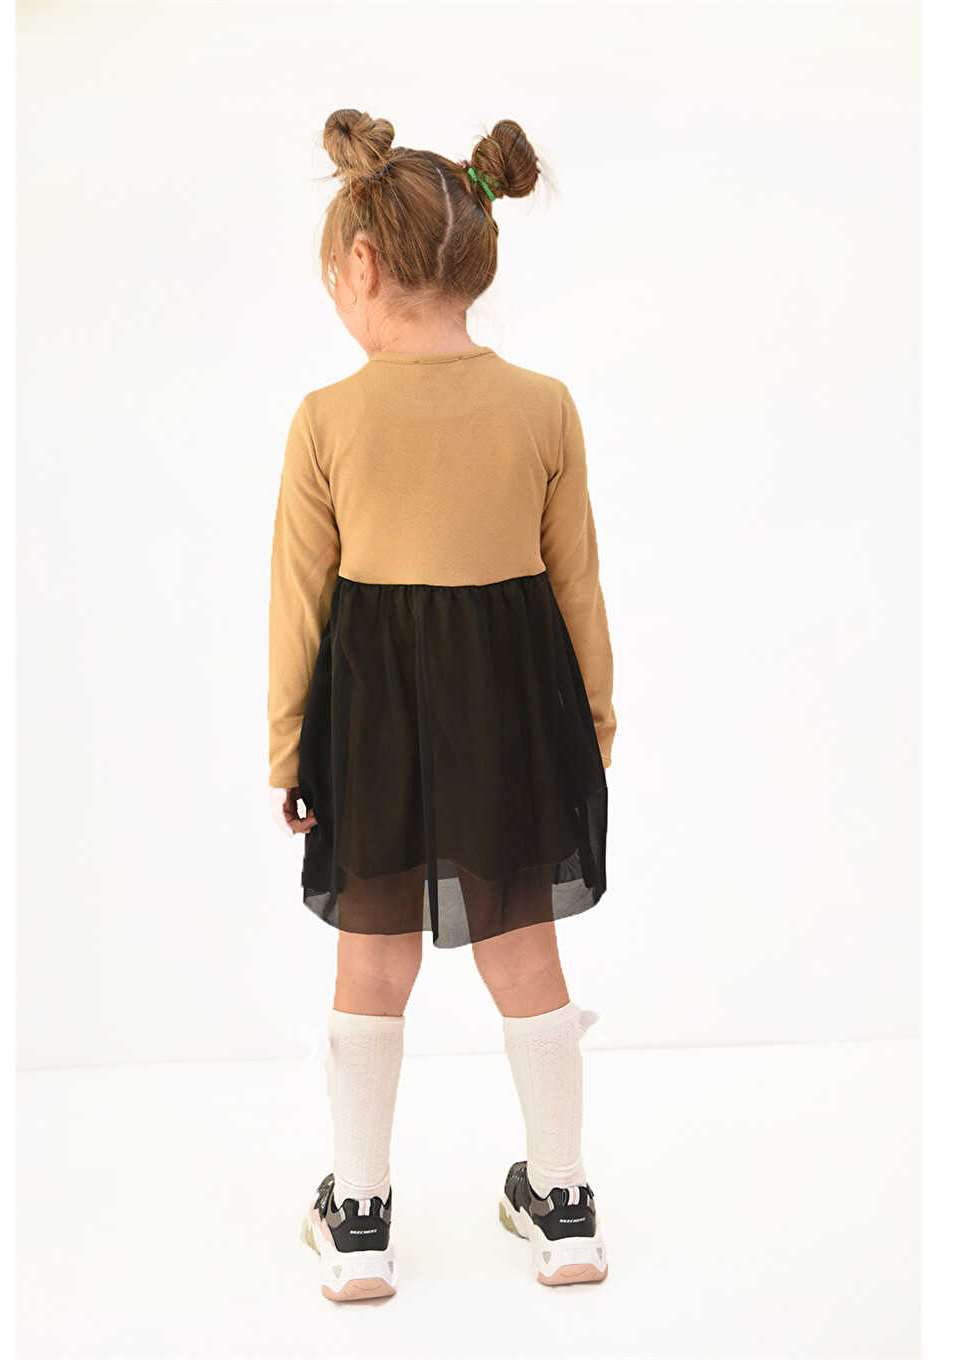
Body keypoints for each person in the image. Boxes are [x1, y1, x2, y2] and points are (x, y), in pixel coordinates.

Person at [268, 109, 616, 1301]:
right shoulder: (545, 405)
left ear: (362, 263)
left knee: (372, 963)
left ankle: (359, 1216)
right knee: (526, 951)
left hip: (370, 716)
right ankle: (563, 1204)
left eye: (334, 276)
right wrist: (593, 728)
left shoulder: (326, 417)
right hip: (513, 711)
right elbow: (577, 583)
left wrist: (289, 746)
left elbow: (300, 601)